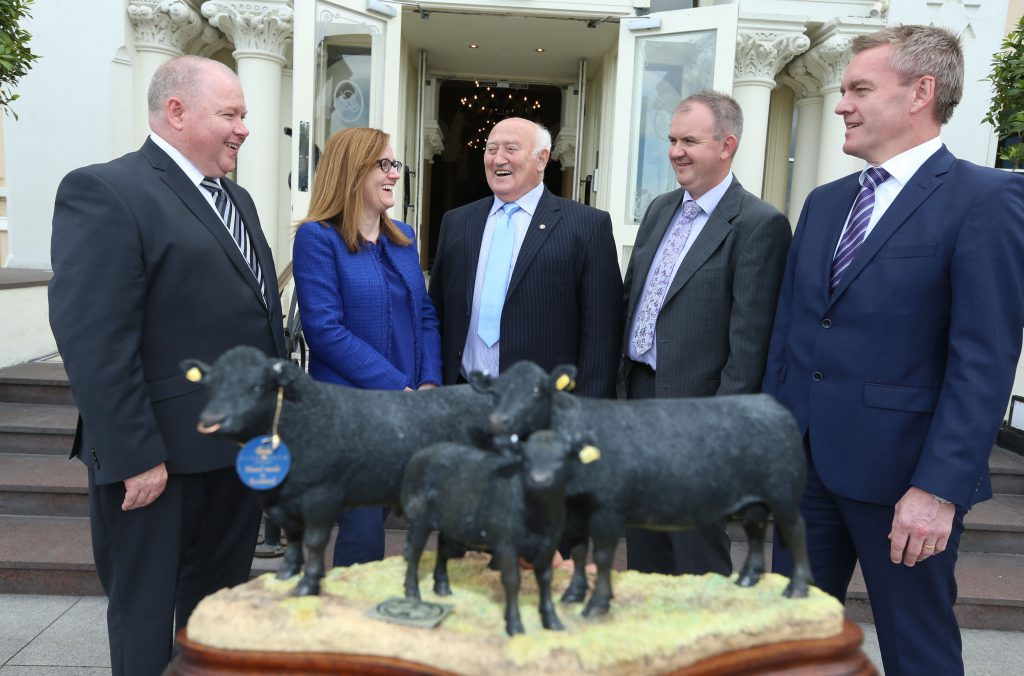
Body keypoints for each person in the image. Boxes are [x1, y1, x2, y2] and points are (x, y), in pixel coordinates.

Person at [764, 25, 1024, 676]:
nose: (842, 104)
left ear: (921, 93)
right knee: (788, 642)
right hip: (804, 471)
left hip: (905, 484)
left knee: (918, 651)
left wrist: (938, 489)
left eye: (859, 89)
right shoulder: (824, 205)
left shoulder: (985, 200)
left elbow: (984, 359)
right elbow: (793, 338)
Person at [48, 56, 286, 676]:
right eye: (230, 114)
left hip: (233, 454)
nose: (243, 128)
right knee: (147, 622)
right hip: (157, 463)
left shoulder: (238, 199)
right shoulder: (105, 190)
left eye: (244, 114)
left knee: (215, 619)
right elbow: (95, 339)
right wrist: (134, 457)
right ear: (176, 112)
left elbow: (259, 321)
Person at [620, 91, 792, 576]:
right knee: (645, 549)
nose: (676, 151)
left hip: (698, 416)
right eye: (673, 140)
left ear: (726, 145)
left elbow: (750, 344)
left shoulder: (760, 224)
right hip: (639, 401)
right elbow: (633, 298)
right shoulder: (659, 209)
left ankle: (705, 651)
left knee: (695, 556)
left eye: (689, 140)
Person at [292, 127, 441, 567]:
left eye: (395, 164)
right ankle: (350, 625)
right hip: (355, 412)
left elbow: (426, 316)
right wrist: (399, 391)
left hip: (410, 405)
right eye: (384, 165)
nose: (394, 174)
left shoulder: (404, 237)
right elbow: (325, 331)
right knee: (361, 531)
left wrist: (430, 382)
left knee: (381, 516)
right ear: (352, 170)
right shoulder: (318, 238)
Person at [429, 117, 622, 397]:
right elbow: (436, 313)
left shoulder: (587, 226)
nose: (498, 159)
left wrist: (587, 410)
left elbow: (602, 333)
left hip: (543, 402)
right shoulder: (457, 222)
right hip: (461, 393)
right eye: (491, 149)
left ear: (541, 159)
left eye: (511, 148)